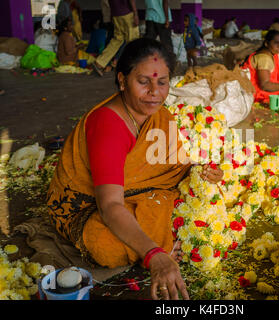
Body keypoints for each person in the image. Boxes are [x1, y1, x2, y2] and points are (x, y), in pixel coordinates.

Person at [47, 38, 223, 300]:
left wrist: (201, 171)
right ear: (122, 80)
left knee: (197, 201)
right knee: (105, 246)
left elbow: (173, 166)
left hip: (137, 194)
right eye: (144, 82)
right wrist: (154, 255)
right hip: (87, 208)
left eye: (162, 82)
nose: (154, 91)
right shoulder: (109, 125)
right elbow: (109, 206)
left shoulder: (161, 117)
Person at [241, 30, 279, 104]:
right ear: (266, 43)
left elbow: (272, 73)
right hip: (257, 92)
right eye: (276, 43)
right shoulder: (264, 59)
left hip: (264, 86)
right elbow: (264, 85)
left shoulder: (272, 54)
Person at [93, 0, 140, 77]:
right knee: (133, 41)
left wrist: (112, 15)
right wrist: (136, 14)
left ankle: (99, 63)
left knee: (117, 40)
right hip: (127, 14)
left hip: (116, 15)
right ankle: (134, 67)